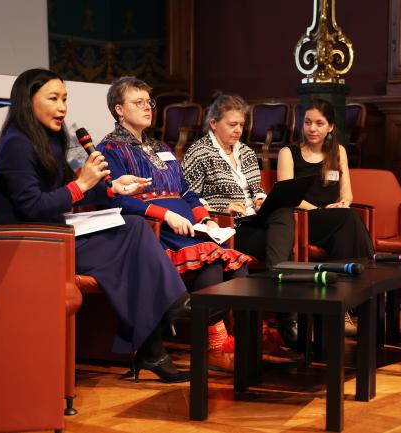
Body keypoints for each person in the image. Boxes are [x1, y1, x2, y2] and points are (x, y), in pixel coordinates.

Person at [0, 68, 191, 383]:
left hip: (57, 230)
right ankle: (165, 319)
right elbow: (31, 206)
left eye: (65, 99)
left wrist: (114, 188)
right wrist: (79, 186)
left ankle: (163, 326)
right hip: (31, 242)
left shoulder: (54, 138)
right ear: (27, 102)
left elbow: (78, 185)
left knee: (135, 226)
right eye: (53, 99)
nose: (63, 108)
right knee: (131, 240)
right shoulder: (16, 144)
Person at [97, 78, 292, 370]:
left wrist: (204, 217)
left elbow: (187, 191)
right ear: (119, 110)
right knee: (212, 261)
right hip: (151, 230)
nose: (148, 108)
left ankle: (233, 339)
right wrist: (165, 215)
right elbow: (117, 200)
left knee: (237, 263)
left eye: (149, 102)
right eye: (138, 103)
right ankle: (214, 345)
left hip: (189, 226)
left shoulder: (159, 146)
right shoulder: (110, 149)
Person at [181, 94, 298, 346]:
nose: (238, 130)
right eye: (232, 124)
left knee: (282, 212)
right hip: (229, 227)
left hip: (254, 218)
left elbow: (256, 188)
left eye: (241, 125)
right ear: (213, 123)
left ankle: (281, 301)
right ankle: (286, 315)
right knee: (280, 246)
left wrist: (259, 200)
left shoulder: (245, 151)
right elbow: (189, 198)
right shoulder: (199, 152)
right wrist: (225, 207)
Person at [276, 98, 374, 334]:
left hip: (334, 220)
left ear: (330, 127)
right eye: (308, 122)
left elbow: (347, 193)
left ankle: (338, 309)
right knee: (348, 220)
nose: (312, 128)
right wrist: (322, 211)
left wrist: (342, 203)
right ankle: (369, 298)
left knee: (346, 225)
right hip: (302, 218)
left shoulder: (338, 151)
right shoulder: (289, 153)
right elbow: (287, 197)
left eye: (319, 123)